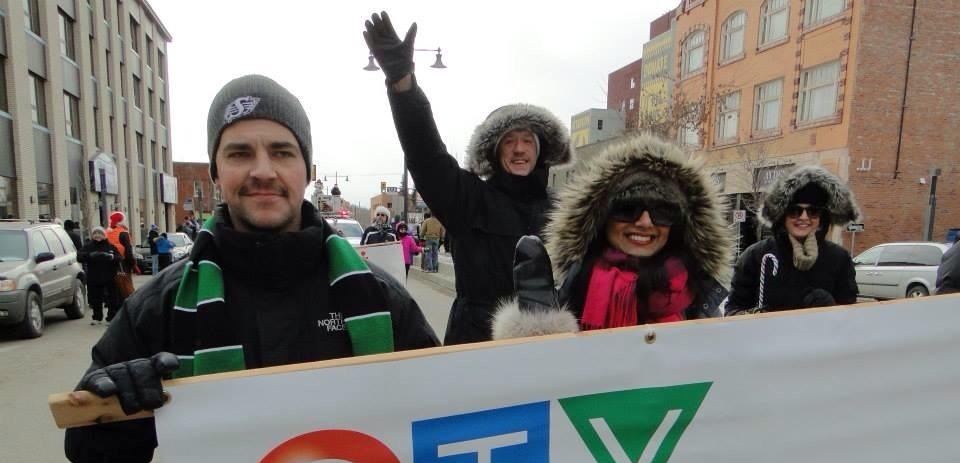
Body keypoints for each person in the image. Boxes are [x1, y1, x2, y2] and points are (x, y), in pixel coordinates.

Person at [63, 74, 439, 463]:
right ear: (217, 172)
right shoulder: (161, 303)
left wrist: (533, 350)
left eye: (281, 152)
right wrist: (123, 406)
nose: (262, 169)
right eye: (240, 152)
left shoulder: (376, 297)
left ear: (306, 170)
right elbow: (92, 454)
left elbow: (453, 419)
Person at [364, 12, 572, 345]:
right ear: (494, 151)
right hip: (477, 347)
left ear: (540, 150)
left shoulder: (565, 210)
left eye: (527, 140)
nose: (519, 149)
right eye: (509, 140)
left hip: (549, 353)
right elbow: (426, 156)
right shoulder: (469, 199)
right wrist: (403, 83)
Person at [491, 134, 733, 338]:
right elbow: (541, 375)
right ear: (603, 218)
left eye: (663, 212)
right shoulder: (579, 280)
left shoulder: (698, 286)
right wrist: (539, 325)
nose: (645, 222)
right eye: (628, 209)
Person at [724, 166, 859, 314]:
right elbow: (732, 310)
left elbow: (850, 316)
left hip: (819, 336)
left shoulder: (839, 258)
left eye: (813, 211)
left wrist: (832, 307)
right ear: (782, 215)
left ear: (821, 218)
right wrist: (752, 315)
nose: (804, 217)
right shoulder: (756, 256)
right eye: (794, 211)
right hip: (770, 336)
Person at [76, 225, 120, 325]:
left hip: (109, 276)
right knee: (95, 298)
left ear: (104, 235)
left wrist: (111, 257)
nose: (97, 236)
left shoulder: (110, 246)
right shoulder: (88, 246)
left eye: (100, 233)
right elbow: (79, 257)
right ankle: (97, 317)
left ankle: (111, 317)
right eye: (95, 233)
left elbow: (119, 258)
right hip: (94, 276)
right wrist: (89, 255)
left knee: (112, 298)